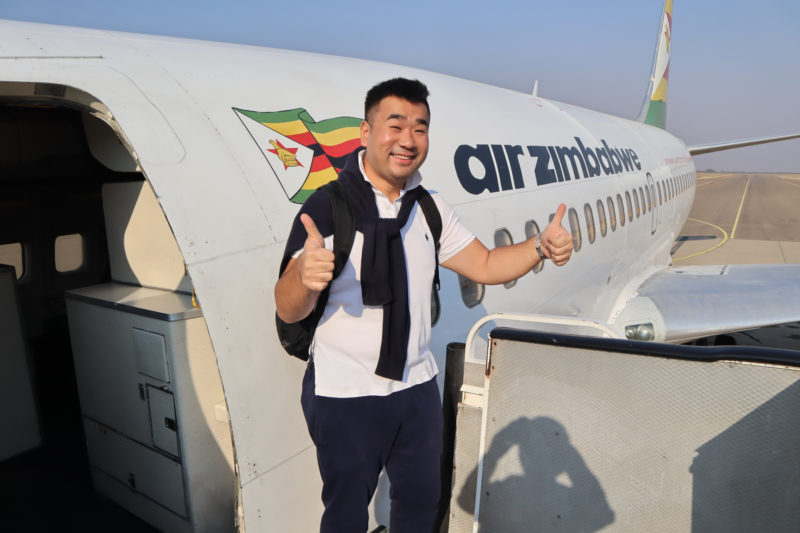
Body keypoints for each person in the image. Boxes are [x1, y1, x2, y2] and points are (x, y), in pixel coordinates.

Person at [274, 77, 573, 533]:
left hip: (415, 389)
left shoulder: (429, 207)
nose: (407, 141)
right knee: (345, 514)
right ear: (365, 133)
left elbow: (487, 264)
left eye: (420, 127)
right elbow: (288, 308)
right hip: (345, 394)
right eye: (395, 126)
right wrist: (303, 277)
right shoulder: (329, 207)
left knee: (421, 503)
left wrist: (539, 247)